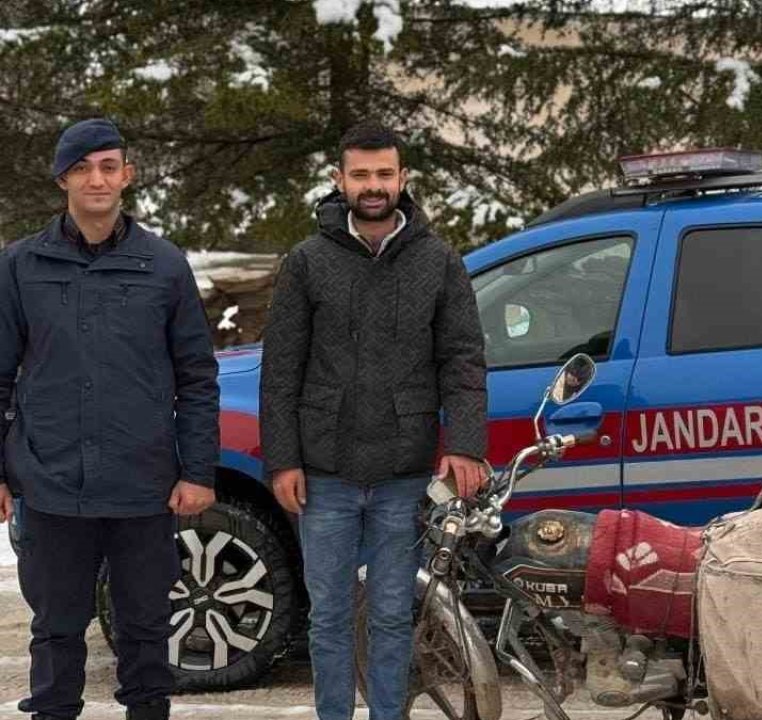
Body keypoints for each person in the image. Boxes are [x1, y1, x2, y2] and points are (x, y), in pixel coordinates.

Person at [260, 121, 488, 720]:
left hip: (403, 470)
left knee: (391, 616)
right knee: (330, 618)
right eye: (360, 175)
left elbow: (462, 360)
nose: (373, 185)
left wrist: (463, 443)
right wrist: (282, 459)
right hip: (324, 471)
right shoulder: (307, 263)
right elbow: (281, 370)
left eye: (384, 174)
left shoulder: (438, 262)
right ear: (340, 181)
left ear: (402, 179)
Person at [0, 118, 220, 720]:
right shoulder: (20, 266)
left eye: (108, 166)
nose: (96, 179)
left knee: (146, 631)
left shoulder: (165, 265)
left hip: (142, 485)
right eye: (82, 168)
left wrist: (198, 470)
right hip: (51, 484)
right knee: (56, 631)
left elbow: (197, 377)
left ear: (127, 175)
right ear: (62, 179)